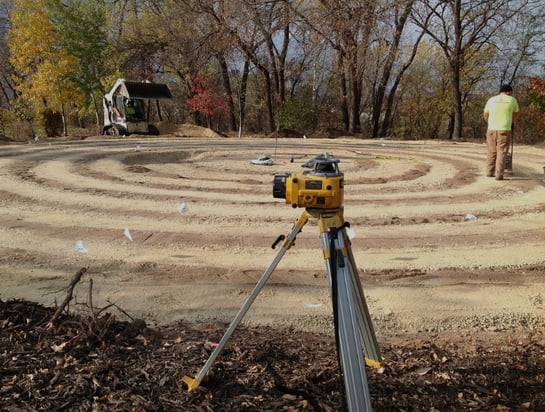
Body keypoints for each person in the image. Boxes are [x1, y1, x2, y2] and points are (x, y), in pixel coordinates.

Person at [483, 84, 519, 180]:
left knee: (491, 150)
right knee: (501, 152)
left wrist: (490, 123)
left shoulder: (491, 100)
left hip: (491, 129)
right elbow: (516, 113)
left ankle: (489, 172)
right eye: (511, 92)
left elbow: (485, 114)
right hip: (504, 129)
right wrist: (512, 122)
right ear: (509, 92)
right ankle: (499, 174)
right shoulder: (512, 100)